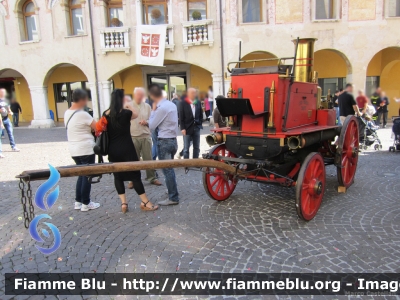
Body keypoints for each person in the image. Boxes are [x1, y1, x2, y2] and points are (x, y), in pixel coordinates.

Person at [104, 89, 158, 213]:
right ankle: (145, 202)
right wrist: (127, 105)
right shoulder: (126, 113)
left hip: (113, 149)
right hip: (127, 148)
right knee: (135, 175)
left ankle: (124, 203)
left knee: (117, 177)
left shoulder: (106, 113)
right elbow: (136, 113)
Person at [64, 89, 100, 212]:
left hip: (74, 149)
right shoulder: (82, 114)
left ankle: (78, 201)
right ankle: (86, 202)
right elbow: (97, 127)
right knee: (87, 175)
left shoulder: (67, 112)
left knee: (81, 174)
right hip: (85, 148)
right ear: (83, 99)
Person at [148, 84, 180, 206]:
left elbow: (152, 125)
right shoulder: (171, 104)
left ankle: (173, 197)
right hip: (173, 139)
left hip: (164, 141)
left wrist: (153, 111)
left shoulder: (160, 108)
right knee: (169, 169)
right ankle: (171, 190)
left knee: (167, 170)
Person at [128, 87, 162, 188]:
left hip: (146, 135)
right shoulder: (128, 106)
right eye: (138, 95)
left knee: (149, 159)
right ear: (135, 95)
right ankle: (133, 180)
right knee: (134, 160)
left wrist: (146, 122)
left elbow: (152, 120)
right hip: (133, 136)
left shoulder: (147, 106)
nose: (140, 97)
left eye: (141, 95)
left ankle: (152, 178)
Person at [179, 88, 203, 159]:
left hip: (196, 127)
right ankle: (186, 164)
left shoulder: (197, 102)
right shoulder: (183, 103)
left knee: (196, 147)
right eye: (192, 93)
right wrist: (182, 128)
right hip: (187, 127)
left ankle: (195, 162)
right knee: (186, 148)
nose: (194, 94)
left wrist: (200, 123)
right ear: (188, 94)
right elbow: (181, 117)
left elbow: (200, 114)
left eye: (195, 93)